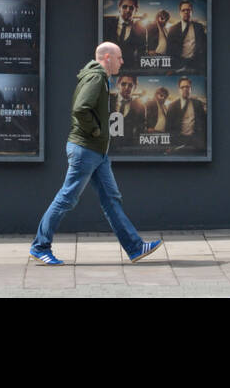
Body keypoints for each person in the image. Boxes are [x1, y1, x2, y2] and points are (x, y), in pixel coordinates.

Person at [29, 42, 162, 266]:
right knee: (67, 198)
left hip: (97, 152)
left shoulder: (99, 77)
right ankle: (40, 246)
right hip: (86, 149)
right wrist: (96, 130)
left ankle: (135, 247)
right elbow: (81, 108)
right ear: (107, 57)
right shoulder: (96, 77)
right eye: (119, 57)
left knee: (111, 199)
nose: (122, 62)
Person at [103, 0, 146, 68]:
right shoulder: (106, 23)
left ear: (136, 10)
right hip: (109, 68)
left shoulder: (141, 30)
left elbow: (142, 54)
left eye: (131, 8)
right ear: (119, 8)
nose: (128, 10)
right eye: (124, 7)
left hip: (129, 70)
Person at [165, 0, 207, 72]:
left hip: (196, 64)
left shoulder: (199, 27)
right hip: (179, 64)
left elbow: (205, 45)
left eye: (188, 10)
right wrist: (170, 68)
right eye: (183, 10)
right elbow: (169, 51)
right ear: (180, 13)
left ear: (192, 12)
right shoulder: (173, 29)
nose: (186, 12)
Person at [164, 76, 207, 146]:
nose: (185, 89)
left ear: (191, 89)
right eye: (182, 87)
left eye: (187, 87)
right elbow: (168, 129)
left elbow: (204, 123)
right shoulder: (172, 106)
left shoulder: (198, 104)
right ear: (179, 90)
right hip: (179, 142)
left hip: (196, 141)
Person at [110, 72, 144, 145]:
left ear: (135, 88)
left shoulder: (140, 107)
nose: (126, 87)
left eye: (130, 85)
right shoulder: (107, 99)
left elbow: (140, 129)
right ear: (117, 85)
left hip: (128, 146)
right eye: (123, 84)